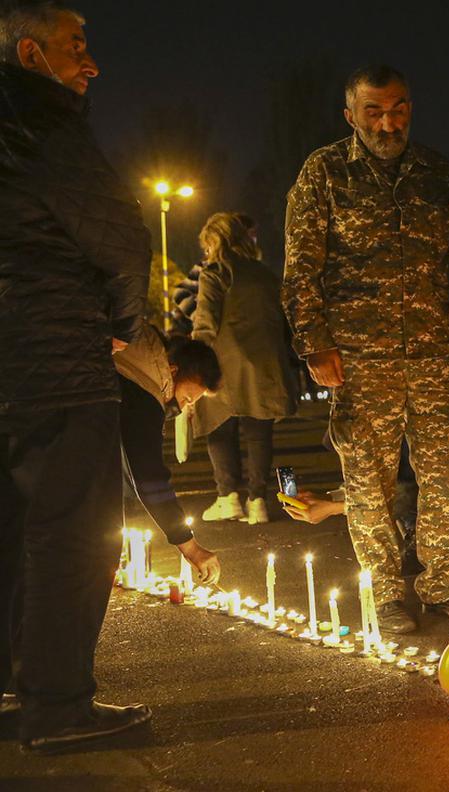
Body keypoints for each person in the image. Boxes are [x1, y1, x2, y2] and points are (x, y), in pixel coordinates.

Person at [0, 2, 155, 752]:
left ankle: (12, 689)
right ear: (31, 55)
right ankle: (58, 708)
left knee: (12, 529)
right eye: (74, 47)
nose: (89, 62)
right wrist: (124, 324)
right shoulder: (40, 124)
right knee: (72, 536)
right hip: (54, 356)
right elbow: (122, 237)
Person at [284, 64, 449, 634]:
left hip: (432, 352)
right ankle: (388, 591)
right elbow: (301, 269)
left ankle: (445, 584)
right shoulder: (324, 173)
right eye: (374, 111)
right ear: (351, 116)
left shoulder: (436, 173)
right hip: (356, 355)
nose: (387, 121)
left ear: (410, 109)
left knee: (444, 472)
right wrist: (314, 344)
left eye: (397, 109)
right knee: (367, 477)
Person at [192, 212, 300, 526]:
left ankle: (228, 498)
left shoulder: (215, 273)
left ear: (215, 242)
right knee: (259, 433)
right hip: (265, 363)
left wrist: (194, 359)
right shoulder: (265, 274)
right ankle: (258, 502)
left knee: (218, 429)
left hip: (223, 363)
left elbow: (205, 324)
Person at [113, 324, 223, 584]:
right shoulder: (144, 391)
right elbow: (149, 477)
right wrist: (189, 546)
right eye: (187, 398)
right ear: (173, 371)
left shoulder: (134, 361)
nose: (184, 408)